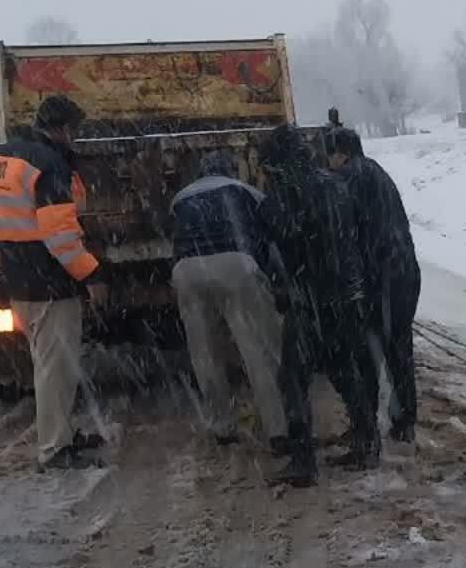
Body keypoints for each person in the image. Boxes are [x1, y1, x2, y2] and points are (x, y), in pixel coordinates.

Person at [0, 93, 109, 470]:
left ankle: (62, 435)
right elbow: (60, 236)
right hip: (50, 283)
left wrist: (4, 261)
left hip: (21, 279)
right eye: (75, 131)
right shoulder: (48, 164)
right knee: (57, 367)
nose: (76, 138)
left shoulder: (1, 159)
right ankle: (55, 450)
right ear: (64, 129)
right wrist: (92, 275)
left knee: (45, 363)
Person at [256, 123, 384, 486]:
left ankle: (303, 461)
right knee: (344, 370)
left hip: (310, 299)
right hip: (344, 295)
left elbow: (281, 244)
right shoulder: (336, 184)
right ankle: (367, 441)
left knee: (292, 378)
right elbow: (355, 236)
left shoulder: (284, 195)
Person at [169, 150, 288, 451]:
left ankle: (221, 425)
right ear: (230, 170)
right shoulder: (246, 191)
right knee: (259, 349)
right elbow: (269, 239)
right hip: (235, 265)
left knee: (205, 352)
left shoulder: (181, 198)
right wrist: (277, 281)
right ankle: (277, 429)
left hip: (187, 270)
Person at [324, 124, 421, 443]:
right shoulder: (378, 172)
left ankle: (366, 427)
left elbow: (344, 234)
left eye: (330, 155)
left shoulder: (347, 177)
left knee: (364, 353)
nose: (329, 162)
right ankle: (405, 421)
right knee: (399, 348)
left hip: (380, 276)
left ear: (341, 153)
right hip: (404, 270)